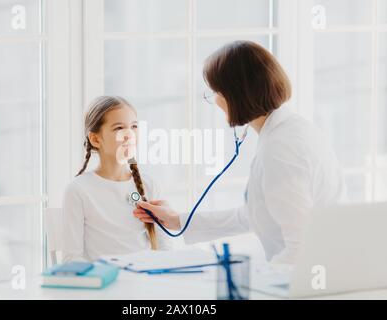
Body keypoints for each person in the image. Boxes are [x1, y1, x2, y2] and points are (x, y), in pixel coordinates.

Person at [133, 41, 345, 264]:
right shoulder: (291, 130)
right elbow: (255, 215)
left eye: (216, 92)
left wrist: (255, 286)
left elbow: (301, 249)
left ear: (236, 94)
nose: (215, 100)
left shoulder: (280, 150)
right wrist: (179, 221)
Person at [62, 96, 172, 263]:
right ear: (95, 139)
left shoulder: (149, 185)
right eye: (119, 128)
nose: (129, 135)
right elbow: (72, 258)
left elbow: (166, 247)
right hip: (103, 283)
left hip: (144, 280)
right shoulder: (78, 190)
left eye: (134, 126)